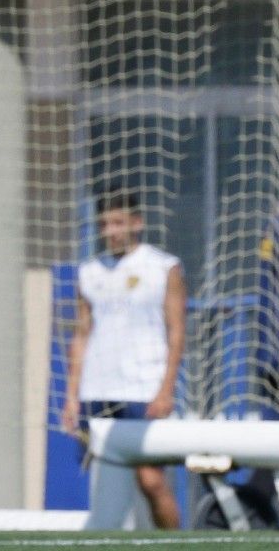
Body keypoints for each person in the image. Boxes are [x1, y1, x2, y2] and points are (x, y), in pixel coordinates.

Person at [62, 188, 186, 530]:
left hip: (144, 389)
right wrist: (71, 396)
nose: (111, 231)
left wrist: (166, 389)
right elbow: (82, 334)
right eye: (105, 224)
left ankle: (175, 542)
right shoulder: (90, 272)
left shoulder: (163, 266)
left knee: (151, 480)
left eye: (118, 223)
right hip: (99, 390)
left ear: (136, 222)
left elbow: (177, 332)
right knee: (105, 485)